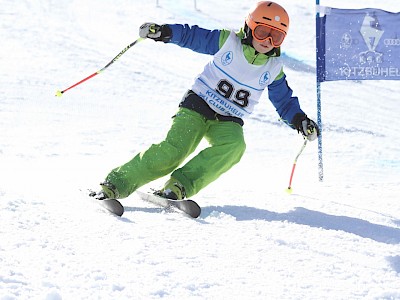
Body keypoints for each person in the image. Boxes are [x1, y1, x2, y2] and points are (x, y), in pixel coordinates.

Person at [95, 1, 319, 202]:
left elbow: (284, 102)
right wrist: (165, 32)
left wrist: (300, 120)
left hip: (228, 120)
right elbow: (194, 37)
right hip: (198, 106)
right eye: (262, 32)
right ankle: (116, 184)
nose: (268, 41)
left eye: (276, 37)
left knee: (234, 146)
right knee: (174, 151)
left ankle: (180, 185)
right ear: (250, 27)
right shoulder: (227, 42)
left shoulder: (273, 69)